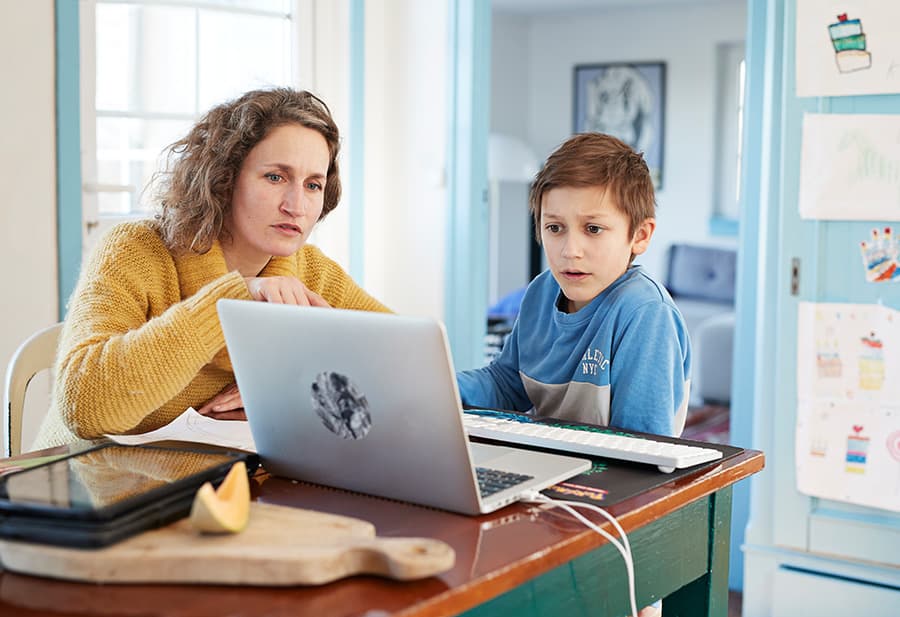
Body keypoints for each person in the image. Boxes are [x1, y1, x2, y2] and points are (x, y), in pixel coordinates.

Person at [33, 87, 389, 450]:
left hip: (222, 476)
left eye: (313, 185)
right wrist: (232, 299)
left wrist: (288, 390)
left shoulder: (312, 271)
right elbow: (84, 407)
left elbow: (405, 366)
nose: (296, 206)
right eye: (275, 177)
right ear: (223, 178)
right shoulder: (133, 250)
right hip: (91, 477)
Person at [457, 132, 691, 438]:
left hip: (610, 468)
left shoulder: (646, 314)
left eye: (593, 229)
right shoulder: (540, 293)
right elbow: (506, 384)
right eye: (555, 228)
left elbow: (640, 445)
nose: (570, 251)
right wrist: (446, 388)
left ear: (640, 235)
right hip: (550, 459)